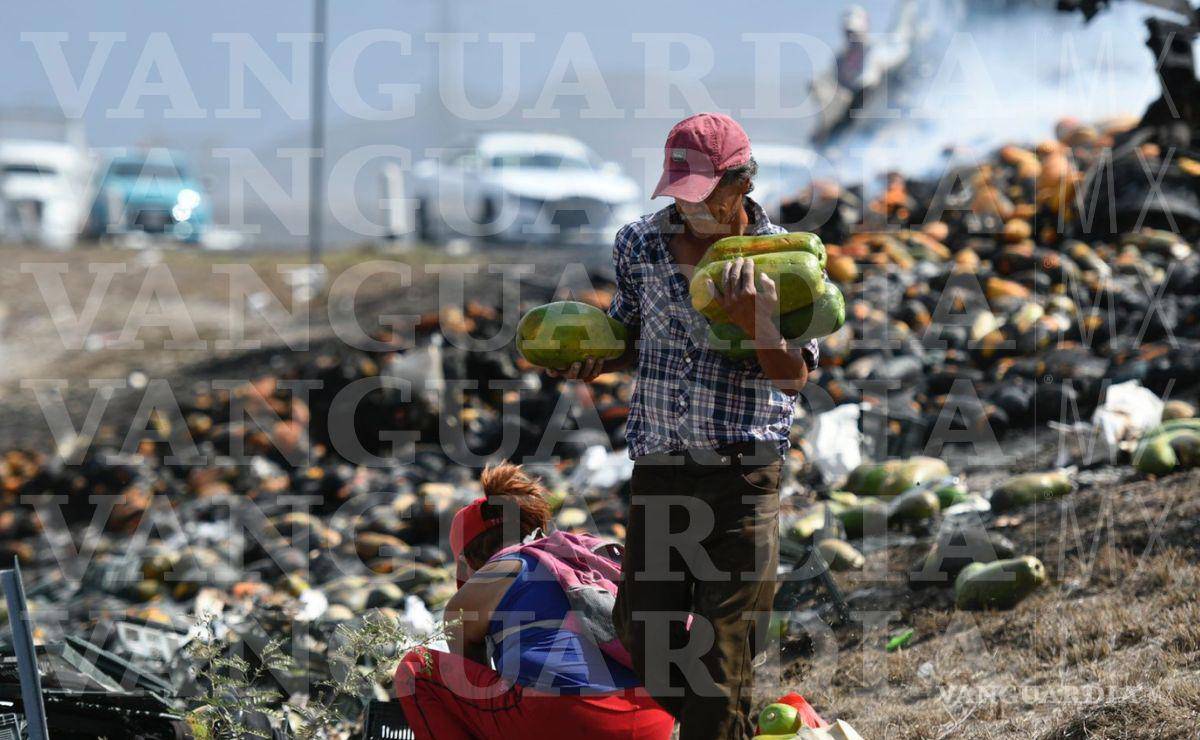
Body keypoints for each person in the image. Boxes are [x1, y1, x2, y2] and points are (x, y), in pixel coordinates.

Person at [550, 113, 818, 739]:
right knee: (643, 631)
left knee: (724, 655)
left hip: (742, 476)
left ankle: (718, 722)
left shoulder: (782, 259)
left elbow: (793, 378)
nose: (691, 210)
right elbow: (632, 339)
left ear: (740, 183)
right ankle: (723, 726)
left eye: (704, 195)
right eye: (680, 195)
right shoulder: (638, 244)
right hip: (661, 469)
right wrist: (598, 360)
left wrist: (757, 318)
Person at [393, 462, 674, 740]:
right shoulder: (579, 556)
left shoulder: (481, 586)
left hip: (568, 717)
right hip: (654, 716)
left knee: (417, 667)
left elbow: (470, 690)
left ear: (466, 564)